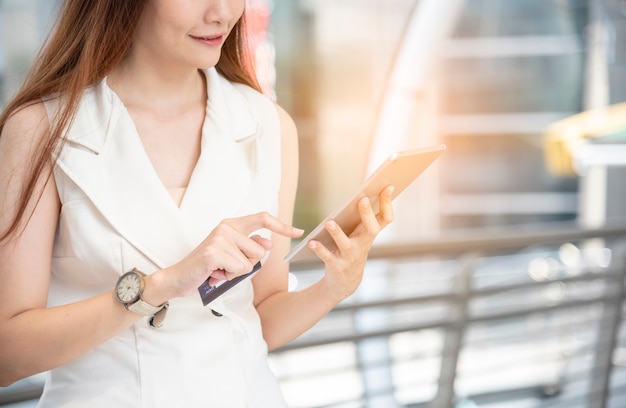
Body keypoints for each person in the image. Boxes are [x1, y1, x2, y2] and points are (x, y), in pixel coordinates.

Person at [0, 1, 394, 406]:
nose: (222, 12)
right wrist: (157, 286)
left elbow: (261, 315)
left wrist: (334, 287)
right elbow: (7, 354)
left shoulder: (266, 124)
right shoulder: (41, 129)